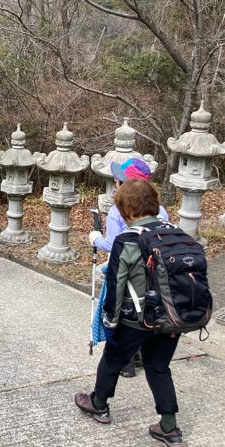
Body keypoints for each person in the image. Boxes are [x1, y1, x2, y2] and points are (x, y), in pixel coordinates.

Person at [75, 179, 186, 447]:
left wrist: (109, 323)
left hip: (135, 318)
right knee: (158, 367)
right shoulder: (176, 234)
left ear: (125, 209)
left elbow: (116, 286)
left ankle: (99, 404)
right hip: (171, 317)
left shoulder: (127, 241)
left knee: (113, 359)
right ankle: (170, 428)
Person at [87, 158, 168, 378]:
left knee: (125, 313)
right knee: (146, 307)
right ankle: (141, 353)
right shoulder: (160, 210)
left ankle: (126, 363)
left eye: (118, 180)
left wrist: (95, 239)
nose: (115, 183)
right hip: (153, 270)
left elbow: (113, 245)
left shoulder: (117, 211)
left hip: (126, 268)